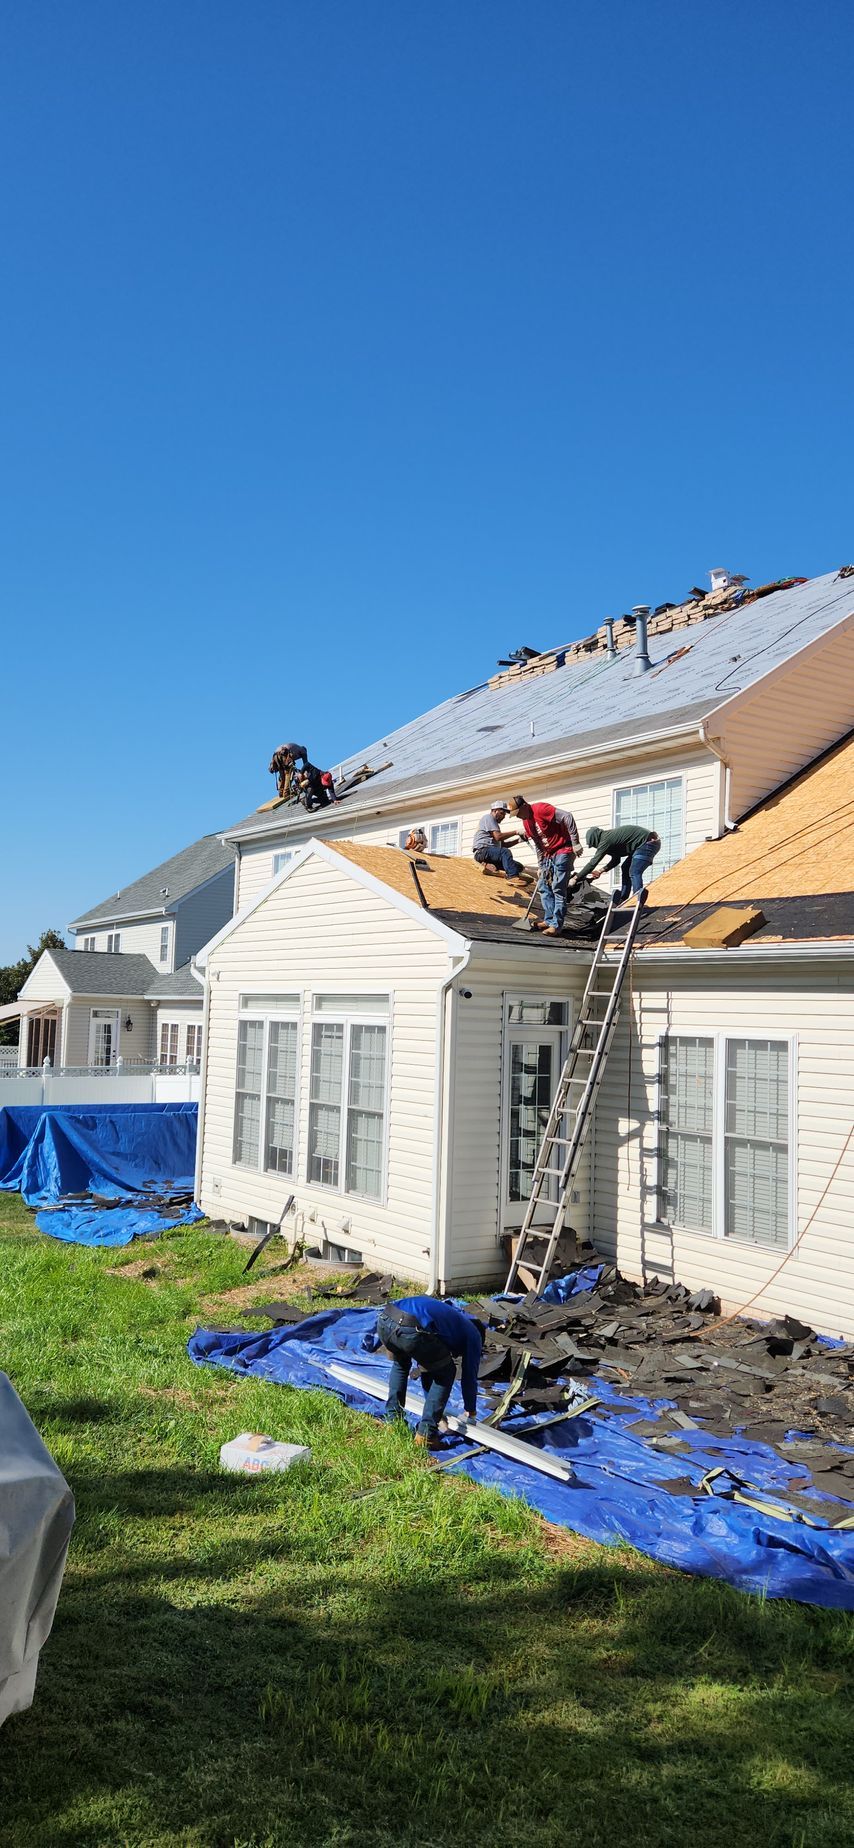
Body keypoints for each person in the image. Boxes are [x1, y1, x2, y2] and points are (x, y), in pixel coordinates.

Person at [376, 1296, 484, 1450]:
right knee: (447, 1372)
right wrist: (471, 1411)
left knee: (401, 1365)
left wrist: (435, 1413)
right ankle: (426, 1435)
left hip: (385, 1319)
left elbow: (428, 1366)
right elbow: (469, 1377)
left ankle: (392, 1421)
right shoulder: (474, 1336)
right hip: (410, 1328)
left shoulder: (452, 1323)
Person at [507, 795, 580, 934]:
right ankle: (549, 919)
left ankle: (557, 925)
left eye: (518, 813)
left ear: (524, 806)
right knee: (543, 886)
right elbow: (539, 845)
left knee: (558, 887)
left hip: (564, 849)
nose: (518, 817)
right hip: (549, 855)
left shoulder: (541, 809)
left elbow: (567, 816)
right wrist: (541, 865)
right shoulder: (526, 823)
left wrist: (575, 842)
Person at [573, 824, 661, 905]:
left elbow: (593, 863)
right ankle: (623, 899)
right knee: (625, 868)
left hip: (648, 843)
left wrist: (575, 878)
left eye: (594, 844)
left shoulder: (606, 839)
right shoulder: (610, 840)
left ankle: (637, 899)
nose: (596, 847)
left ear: (595, 839)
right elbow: (616, 860)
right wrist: (600, 871)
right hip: (641, 845)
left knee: (634, 871)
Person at [471, 800, 524, 879]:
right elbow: (498, 837)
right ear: (495, 811)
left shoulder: (494, 827)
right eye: (502, 813)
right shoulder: (488, 817)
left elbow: (504, 845)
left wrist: (519, 840)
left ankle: (488, 865)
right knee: (505, 852)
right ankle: (513, 877)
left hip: (490, 855)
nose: (504, 816)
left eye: (505, 814)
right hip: (482, 852)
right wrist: (516, 832)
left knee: (518, 866)